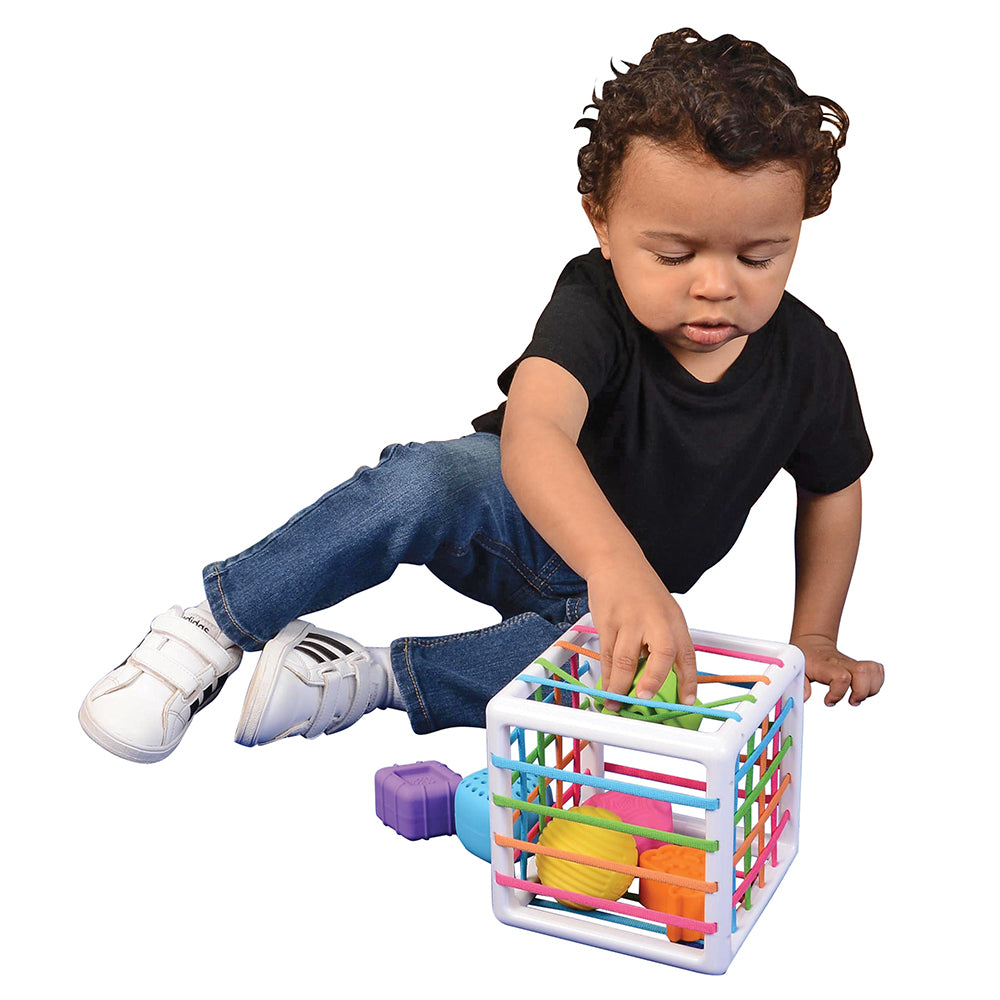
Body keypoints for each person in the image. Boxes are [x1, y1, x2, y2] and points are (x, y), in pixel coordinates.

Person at [79, 27, 884, 764]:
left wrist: (814, 633)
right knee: (425, 480)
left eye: (760, 256)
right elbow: (536, 433)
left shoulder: (809, 359)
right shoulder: (592, 299)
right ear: (601, 222)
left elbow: (833, 489)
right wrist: (619, 564)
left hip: (595, 602)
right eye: (673, 255)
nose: (716, 286)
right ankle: (209, 631)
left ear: (802, 225)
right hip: (511, 513)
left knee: (632, 677)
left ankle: (368, 678)